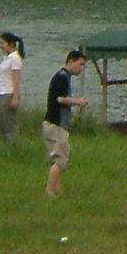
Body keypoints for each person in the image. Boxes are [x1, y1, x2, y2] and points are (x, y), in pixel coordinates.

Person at [42, 50, 89, 198]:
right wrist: (78, 102)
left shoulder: (60, 76)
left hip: (49, 123)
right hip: (57, 125)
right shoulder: (63, 77)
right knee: (61, 159)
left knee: (56, 159)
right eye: (80, 64)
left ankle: (57, 188)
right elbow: (61, 99)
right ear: (71, 61)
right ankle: (50, 190)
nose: (82, 68)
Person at [0, 32, 25, 143]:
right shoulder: (6, 58)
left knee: (10, 124)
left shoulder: (15, 59)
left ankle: (13, 145)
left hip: (9, 94)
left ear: (11, 44)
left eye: (3, 43)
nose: (1, 46)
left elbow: (16, 79)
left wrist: (15, 97)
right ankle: (6, 145)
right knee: (3, 123)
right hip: (2, 93)